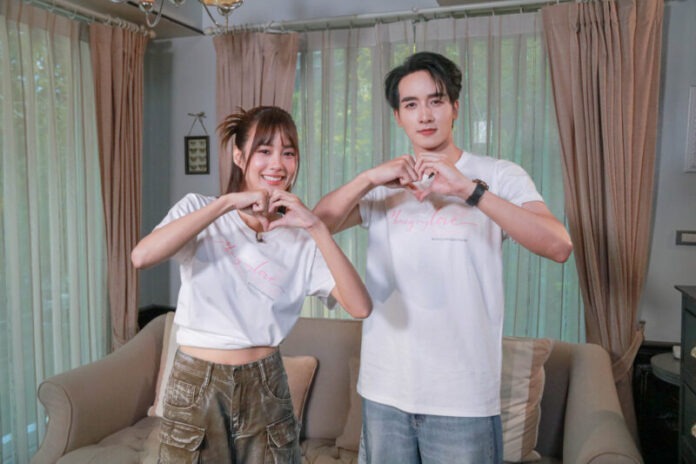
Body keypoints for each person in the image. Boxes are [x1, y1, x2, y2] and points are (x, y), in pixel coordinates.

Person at [313, 51, 573, 464]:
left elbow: (558, 246)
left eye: (435, 101)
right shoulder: (385, 185)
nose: (424, 115)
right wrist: (368, 178)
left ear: (454, 107)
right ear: (398, 116)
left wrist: (469, 190)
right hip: (384, 393)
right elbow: (316, 224)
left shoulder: (498, 174)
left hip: (464, 399)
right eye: (411, 105)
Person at [131, 106, 372, 463]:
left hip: (266, 383)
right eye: (264, 150)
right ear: (239, 156)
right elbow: (141, 256)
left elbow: (360, 306)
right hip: (197, 381)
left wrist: (316, 227)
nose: (277, 163)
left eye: (288, 153)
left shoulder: (300, 237)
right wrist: (226, 203)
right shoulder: (200, 209)